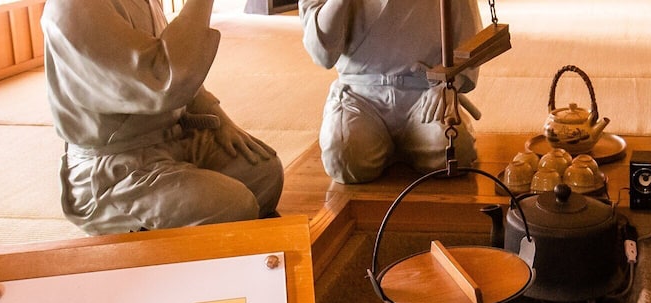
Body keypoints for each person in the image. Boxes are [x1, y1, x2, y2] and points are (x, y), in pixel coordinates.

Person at [42, 0, 283, 234]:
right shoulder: (75, 6)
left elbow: (184, 77)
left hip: (173, 140)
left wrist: (220, 120)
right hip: (115, 168)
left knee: (264, 171)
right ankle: (127, 229)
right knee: (234, 206)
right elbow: (165, 77)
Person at [300, 0, 480, 184]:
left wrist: (449, 81)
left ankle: (402, 146)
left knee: (455, 152)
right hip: (361, 94)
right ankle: (388, 146)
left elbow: (469, 38)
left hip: (424, 92)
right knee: (343, 157)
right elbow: (322, 54)